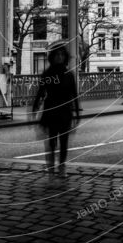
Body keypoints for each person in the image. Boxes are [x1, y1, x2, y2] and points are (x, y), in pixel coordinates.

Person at [31, 39, 81, 180]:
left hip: (65, 112)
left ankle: (62, 167)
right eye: (57, 55)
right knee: (52, 142)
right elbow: (41, 92)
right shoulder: (48, 74)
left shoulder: (69, 74)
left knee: (64, 141)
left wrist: (77, 112)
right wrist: (35, 109)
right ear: (52, 57)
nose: (59, 57)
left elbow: (74, 95)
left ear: (65, 57)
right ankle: (52, 167)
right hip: (51, 111)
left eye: (62, 55)